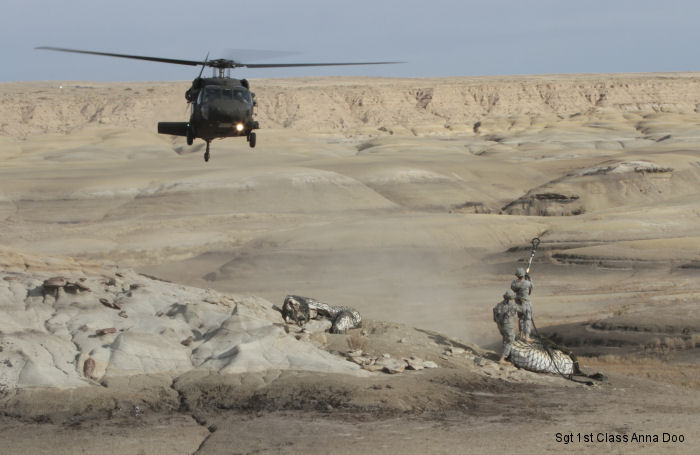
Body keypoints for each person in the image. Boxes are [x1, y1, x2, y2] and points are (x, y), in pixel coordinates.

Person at [493, 289, 522, 365]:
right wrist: (522, 302)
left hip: (500, 326)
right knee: (510, 340)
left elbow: (494, 311)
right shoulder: (512, 305)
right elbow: (522, 310)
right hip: (507, 326)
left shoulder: (499, 304)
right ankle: (502, 358)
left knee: (505, 339)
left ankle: (506, 355)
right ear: (512, 298)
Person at [511, 267, 534, 342]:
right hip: (526, 303)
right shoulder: (527, 283)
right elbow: (531, 289)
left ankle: (521, 335)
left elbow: (513, 288)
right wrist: (529, 278)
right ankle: (527, 337)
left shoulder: (514, 283)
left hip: (518, 303)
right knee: (527, 319)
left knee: (520, 319)